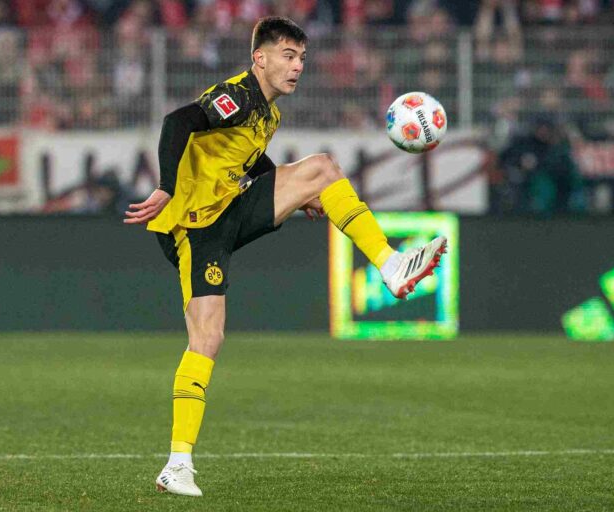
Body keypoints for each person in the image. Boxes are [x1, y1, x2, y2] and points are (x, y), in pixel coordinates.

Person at [122, 16, 447, 498]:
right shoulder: (241, 95)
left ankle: (391, 264)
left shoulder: (269, 115)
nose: (297, 67)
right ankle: (177, 463)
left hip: (229, 206)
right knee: (207, 339)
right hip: (193, 228)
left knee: (320, 171)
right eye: (288, 56)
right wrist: (168, 188)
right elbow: (179, 121)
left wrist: (300, 195)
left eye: (302, 58)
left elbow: (250, 160)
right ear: (261, 58)